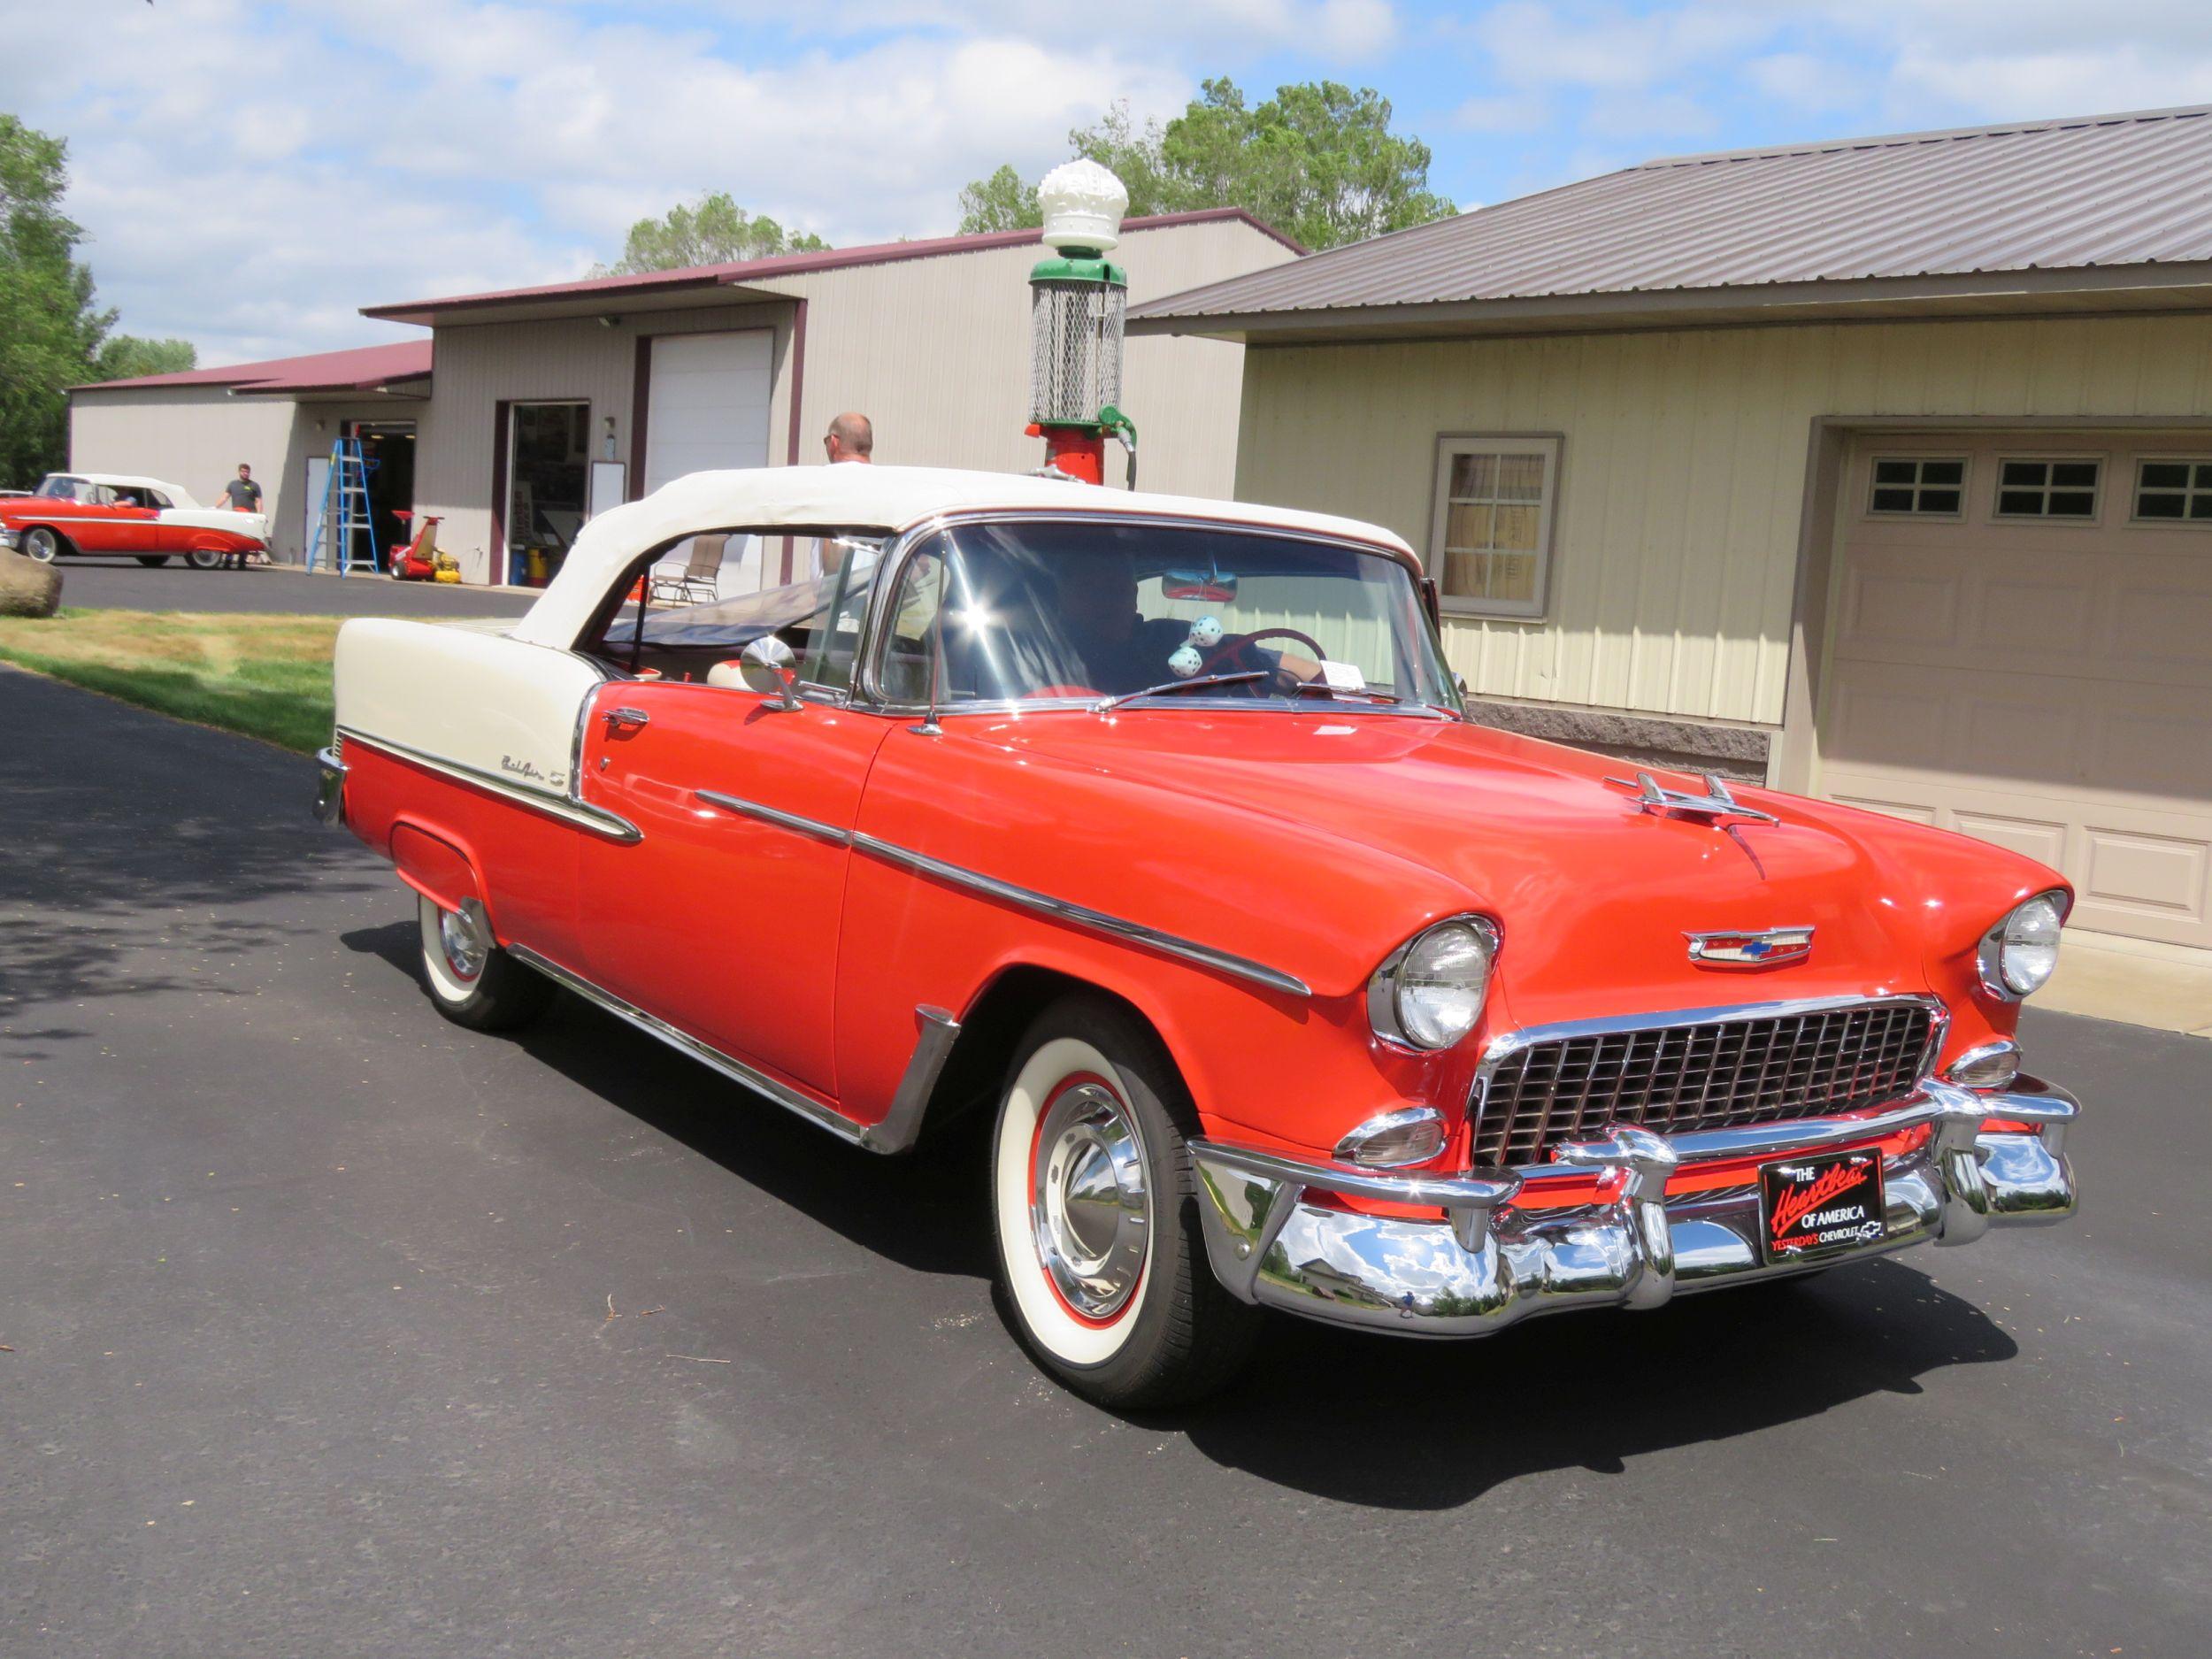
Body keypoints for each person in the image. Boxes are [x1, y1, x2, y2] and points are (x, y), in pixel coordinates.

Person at [217, 464, 263, 570]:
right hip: (236, 515)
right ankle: (228, 561)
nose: (245, 473)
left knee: (244, 539)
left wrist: (259, 515)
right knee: (232, 538)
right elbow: (225, 497)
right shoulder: (233, 484)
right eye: (243, 471)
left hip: (249, 516)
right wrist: (215, 507)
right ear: (239, 472)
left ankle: (242, 561)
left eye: (247, 472)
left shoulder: (254, 486)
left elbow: (258, 501)